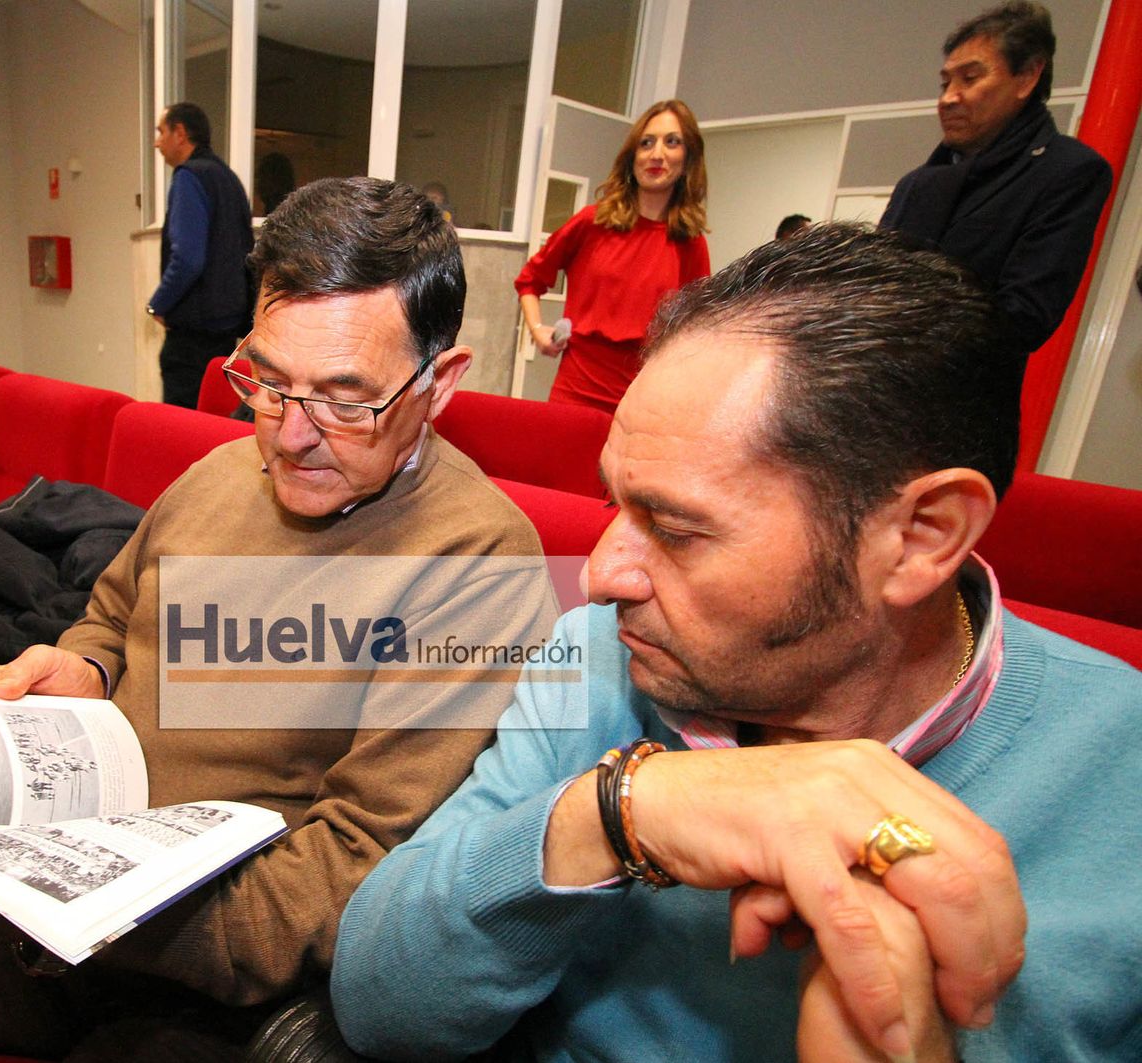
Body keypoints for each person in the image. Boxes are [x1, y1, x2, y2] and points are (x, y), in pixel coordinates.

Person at [0, 177, 560, 1061]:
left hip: (191, 952)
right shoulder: (229, 471)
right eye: (266, 380)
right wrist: (83, 667)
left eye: (346, 397)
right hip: (52, 859)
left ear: (441, 384)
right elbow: (113, 611)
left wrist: (33, 900)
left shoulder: (477, 565)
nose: (288, 431)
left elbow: (345, 877)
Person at [331, 223, 1142, 1061]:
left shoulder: (1123, 776)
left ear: (921, 536)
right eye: (616, 504)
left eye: (676, 529)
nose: (603, 574)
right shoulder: (601, 654)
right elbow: (377, 1003)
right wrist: (617, 812)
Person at [880, 1, 1112, 367]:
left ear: (1027, 77)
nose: (948, 98)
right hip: (874, 395)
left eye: (970, 79)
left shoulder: (1068, 171)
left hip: (960, 405)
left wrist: (897, 315)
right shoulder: (916, 184)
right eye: (945, 83)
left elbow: (1023, 318)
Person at [516, 99, 710, 416]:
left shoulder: (691, 242)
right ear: (632, 155)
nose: (657, 154)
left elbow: (694, 329)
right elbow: (530, 280)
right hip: (576, 391)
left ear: (687, 158)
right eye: (646, 143)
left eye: (672, 142)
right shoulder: (592, 223)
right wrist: (538, 329)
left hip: (646, 398)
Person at [148, 101, 255, 408]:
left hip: (192, 332)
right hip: (225, 331)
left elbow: (188, 258)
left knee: (180, 424)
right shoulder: (229, 179)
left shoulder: (188, 177)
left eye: (161, 131)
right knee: (213, 419)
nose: (157, 142)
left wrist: (158, 304)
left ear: (180, 133)